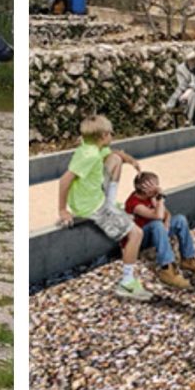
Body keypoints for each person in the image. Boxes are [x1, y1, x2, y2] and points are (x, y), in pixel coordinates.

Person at [56, 115, 153, 301]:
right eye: (111, 133)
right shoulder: (90, 156)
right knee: (136, 234)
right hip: (91, 206)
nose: (113, 136)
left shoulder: (92, 148)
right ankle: (127, 282)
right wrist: (63, 210)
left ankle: (110, 202)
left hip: (93, 195)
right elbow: (64, 180)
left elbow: (114, 153)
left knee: (115, 158)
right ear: (103, 136)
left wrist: (130, 160)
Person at [124, 171, 195, 290]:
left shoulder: (150, 197)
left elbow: (166, 213)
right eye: (154, 185)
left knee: (180, 220)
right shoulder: (134, 203)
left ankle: (188, 259)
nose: (158, 188)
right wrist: (160, 198)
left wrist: (167, 222)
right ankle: (166, 269)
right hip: (140, 239)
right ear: (144, 188)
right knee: (156, 224)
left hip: (157, 232)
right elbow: (157, 216)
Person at [165, 49, 195, 126]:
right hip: (183, 93)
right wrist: (192, 89)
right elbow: (182, 85)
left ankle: (189, 119)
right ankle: (194, 123)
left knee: (194, 95)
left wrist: (191, 90)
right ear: (188, 60)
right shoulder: (180, 68)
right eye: (193, 59)